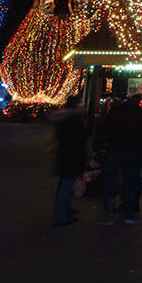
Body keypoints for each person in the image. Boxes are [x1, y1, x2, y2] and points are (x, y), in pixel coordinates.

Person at [97, 93, 142, 224]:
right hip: (131, 151)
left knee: (109, 184)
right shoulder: (140, 115)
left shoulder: (115, 114)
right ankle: (127, 214)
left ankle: (106, 215)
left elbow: (105, 131)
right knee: (128, 184)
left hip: (114, 151)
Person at [48, 96, 89, 227]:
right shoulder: (74, 121)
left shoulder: (63, 119)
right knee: (66, 187)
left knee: (64, 185)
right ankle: (60, 216)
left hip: (64, 156)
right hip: (72, 157)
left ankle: (64, 212)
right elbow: (80, 142)